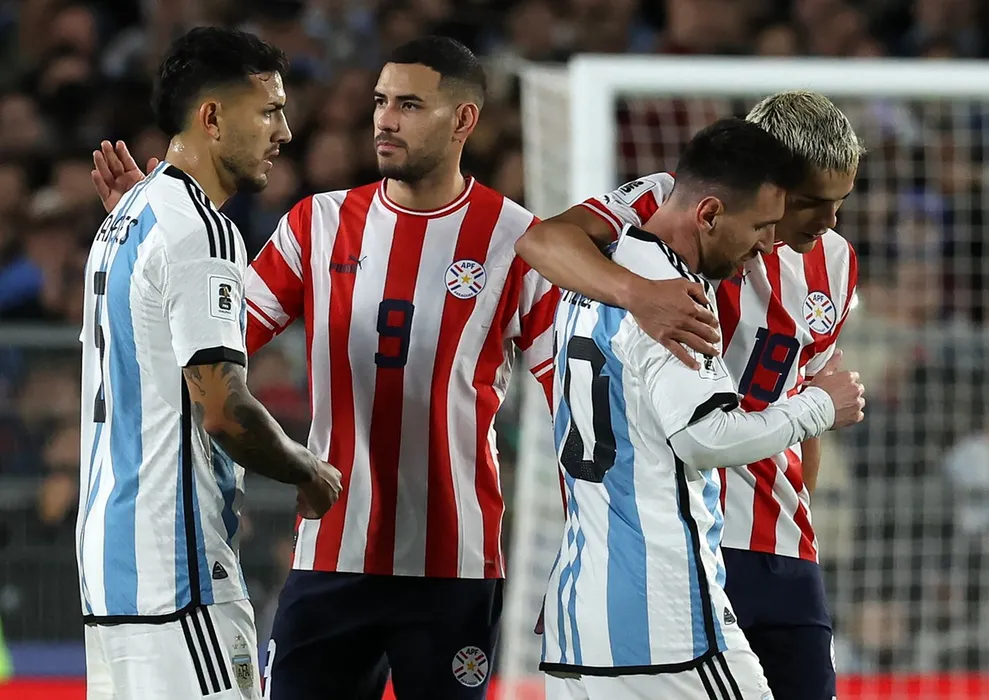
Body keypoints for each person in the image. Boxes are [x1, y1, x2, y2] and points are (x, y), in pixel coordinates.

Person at [92, 34, 719, 700]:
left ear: (463, 120)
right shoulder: (317, 223)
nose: (386, 120)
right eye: (381, 101)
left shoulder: (517, 241)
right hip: (331, 554)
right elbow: (213, 341)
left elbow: (571, 403)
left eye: (410, 105)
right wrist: (162, 238)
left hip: (455, 564)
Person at [518, 90, 862, 700]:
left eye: (841, 202)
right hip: (679, 537)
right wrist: (637, 294)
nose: (829, 220)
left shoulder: (834, 262)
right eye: (811, 201)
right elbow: (542, 242)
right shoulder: (662, 210)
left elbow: (805, 386)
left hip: (777, 540)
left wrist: (800, 508)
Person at [77, 27, 341, 700]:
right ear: (213, 118)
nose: (284, 132)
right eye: (269, 111)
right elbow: (223, 410)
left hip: (112, 571)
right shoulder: (202, 229)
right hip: (178, 575)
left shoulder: (125, 218)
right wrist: (307, 470)